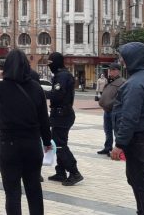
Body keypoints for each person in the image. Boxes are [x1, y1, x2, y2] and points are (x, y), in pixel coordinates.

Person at [0, 49, 51, 215]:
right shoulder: (36, 88)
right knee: (34, 189)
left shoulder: (1, 87)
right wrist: (47, 142)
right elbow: (44, 119)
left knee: (12, 192)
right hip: (32, 145)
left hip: (9, 145)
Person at [110, 42, 144, 215]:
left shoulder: (134, 84)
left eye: (124, 58)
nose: (122, 61)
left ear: (133, 58)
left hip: (137, 137)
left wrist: (120, 144)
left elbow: (129, 117)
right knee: (137, 178)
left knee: (139, 180)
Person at [46, 52, 83, 186]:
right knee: (58, 144)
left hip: (62, 115)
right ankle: (61, 172)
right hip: (60, 114)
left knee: (60, 145)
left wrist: (41, 93)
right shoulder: (61, 74)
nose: (49, 66)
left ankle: (74, 172)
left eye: (50, 64)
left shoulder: (62, 76)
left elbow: (57, 95)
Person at [97, 62, 125, 156]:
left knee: (116, 131)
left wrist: (110, 103)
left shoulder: (122, 82)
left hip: (115, 111)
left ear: (117, 71)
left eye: (112, 70)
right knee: (107, 130)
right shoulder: (110, 81)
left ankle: (117, 150)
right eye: (109, 70)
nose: (109, 72)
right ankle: (107, 147)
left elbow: (120, 98)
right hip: (107, 111)